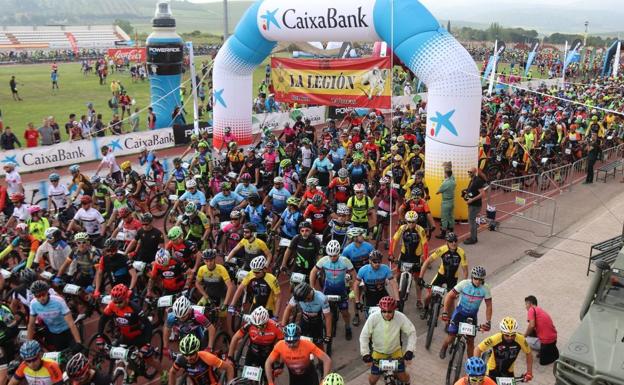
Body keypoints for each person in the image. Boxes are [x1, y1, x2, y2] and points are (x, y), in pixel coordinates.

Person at [359, 296, 416, 385]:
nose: (386, 314)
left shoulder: (400, 317)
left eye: (389, 311)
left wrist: (410, 350)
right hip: (378, 353)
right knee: (372, 380)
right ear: (380, 309)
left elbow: (412, 332)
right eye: (384, 311)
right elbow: (364, 336)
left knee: (403, 377)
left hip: (395, 352)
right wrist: (365, 353)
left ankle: (408, 382)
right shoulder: (373, 317)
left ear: (394, 310)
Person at [439, 266, 492, 360]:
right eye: (476, 278)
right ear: (472, 277)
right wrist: (445, 312)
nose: (478, 281)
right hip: (460, 312)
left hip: (472, 316)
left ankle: (471, 363)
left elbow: (489, 306)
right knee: (451, 336)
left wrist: (488, 321)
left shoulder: (485, 288)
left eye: (480, 279)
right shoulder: (464, 284)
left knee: (471, 341)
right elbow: (449, 296)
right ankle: (444, 347)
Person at [265, 323, 332, 385]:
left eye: (294, 341)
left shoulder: (308, 345)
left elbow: (327, 360)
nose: (291, 345)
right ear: (284, 339)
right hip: (294, 379)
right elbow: (268, 363)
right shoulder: (280, 345)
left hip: (310, 378)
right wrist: (270, 383)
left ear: (299, 338)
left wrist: (325, 380)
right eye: (288, 341)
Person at [474, 317, 533, 382]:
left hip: (508, 371)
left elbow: (529, 353)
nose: (510, 338)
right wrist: (477, 370)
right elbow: (478, 349)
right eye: (507, 335)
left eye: (513, 335)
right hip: (492, 371)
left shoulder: (521, 339)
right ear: (502, 332)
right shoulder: (495, 338)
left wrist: (529, 372)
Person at [27, 280, 82, 351]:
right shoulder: (33, 304)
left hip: (68, 331)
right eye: (38, 296)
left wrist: (78, 342)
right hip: (55, 333)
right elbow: (31, 325)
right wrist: (28, 345)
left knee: (77, 353)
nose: (41, 298)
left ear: (47, 292)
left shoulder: (58, 301)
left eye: (43, 294)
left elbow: (71, 323)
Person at [419, 232, 468, 310]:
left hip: (452, 279)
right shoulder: (442, 249)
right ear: (447, 242)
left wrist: (463, 285)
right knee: (428, 296)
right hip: (440, 276)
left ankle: (450, 320)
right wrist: (420, 277)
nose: (454, 243)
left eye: (455, 241)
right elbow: (427, 261)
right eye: (451, 241)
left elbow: (465, 271)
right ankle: (425, 308)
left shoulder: (461, 252)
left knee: (451, 302)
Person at [524, 295, 559, 365]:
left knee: (525, 340)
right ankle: (547, 350)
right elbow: (532, 326)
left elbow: (531, 325)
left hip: (545, 343)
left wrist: (524, 336)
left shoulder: (531, 310)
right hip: (553, 340)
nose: (525, 307)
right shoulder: (540, 310)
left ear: (530, 303)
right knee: (531, 332)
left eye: (526, 304)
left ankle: (542, 349)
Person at [463, 168, 486, 245]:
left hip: (475, 205)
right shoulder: (472, 180)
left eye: (470, 172)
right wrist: (466, 190)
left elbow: (482, 194)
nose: (469, 173)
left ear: (475, 172)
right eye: (468, 171)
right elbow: (473, 190)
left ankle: (473, 238)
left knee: (472, 221)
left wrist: (472, 200)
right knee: (471, 221)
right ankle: (473, 237)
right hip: (472, 205)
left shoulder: (477, 181)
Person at [436, 166, 456, 239]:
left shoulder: (445, 183)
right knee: (451, 216)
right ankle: (451, 231)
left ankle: (443, 233)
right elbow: (452, 176)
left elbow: (438, 191)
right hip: (452, 201)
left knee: (444, 218)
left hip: (446, 202)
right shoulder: (453, 180)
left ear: (446, 174)